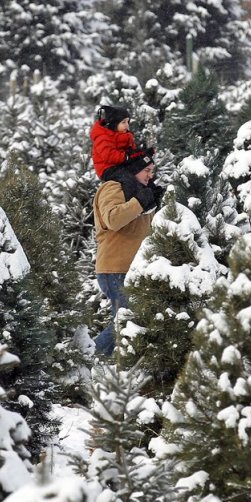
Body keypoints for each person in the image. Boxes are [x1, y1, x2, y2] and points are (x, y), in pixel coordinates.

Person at [92, 153, 161, 357]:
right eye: (146, 170)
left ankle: (103, 365)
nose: (150, 175)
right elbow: (113, 219)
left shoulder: (137, 193)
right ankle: (84, 360)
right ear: (134, 170)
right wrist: (140, 201)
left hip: (132, 269)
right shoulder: (113, 187)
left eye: (152, 171)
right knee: (125, 323)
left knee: (130, 322)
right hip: (116, 269)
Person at [91, 104, 148, 197]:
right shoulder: (103, 137)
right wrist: (126, 156)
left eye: (128, 122)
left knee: (142, 171)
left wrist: (142, 153)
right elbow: (109, 155)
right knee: (128, 179)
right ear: (114, 123)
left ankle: (152, 194)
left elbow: (132, 152)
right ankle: (130, 201)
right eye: (123, 122)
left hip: (121, 164)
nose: (127, 125)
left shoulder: (126, 135)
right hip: (107, 168)